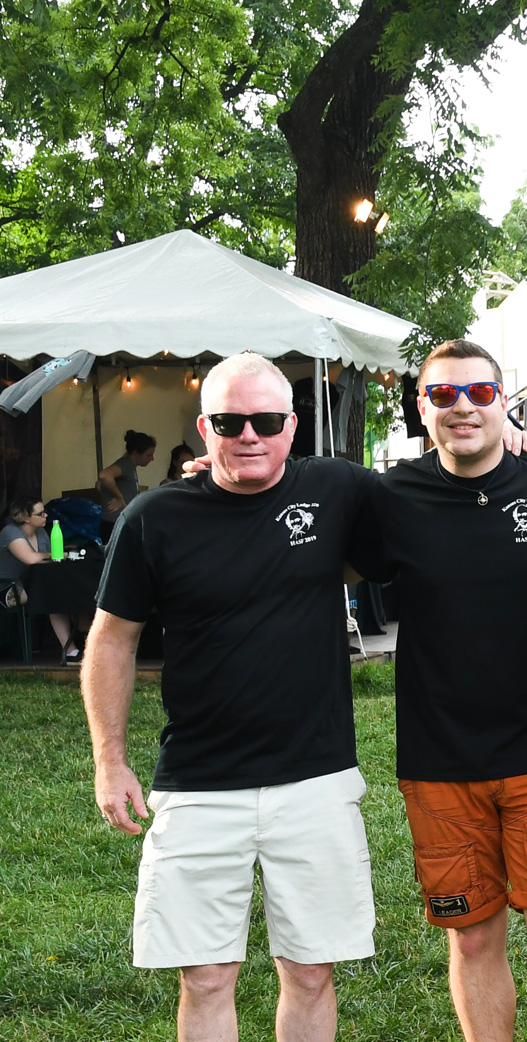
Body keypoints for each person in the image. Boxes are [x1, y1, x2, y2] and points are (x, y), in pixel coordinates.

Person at [84, 352, 383, 1041]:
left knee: (310, 971)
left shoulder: (338, 488)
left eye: (266, 420)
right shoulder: (154, 518)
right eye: (229, 421)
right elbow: (110, 641)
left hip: (315, 776)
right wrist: (110, 759)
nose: (249, 434)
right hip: (197, 783)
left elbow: (448, 477)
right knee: (206, 973)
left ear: (292, 426)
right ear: (205, 426)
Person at [361, 338, 527, 1042]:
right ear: (422, 408)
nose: (463, 408)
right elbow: (302, 521)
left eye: (480, 393)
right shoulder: (391, 497)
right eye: (444, 396)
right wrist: (211, 474)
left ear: (505, 401)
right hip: (438, 757)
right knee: (472, 938)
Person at [3, 498, 91, 663]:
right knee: (51, 595)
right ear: (26, 518)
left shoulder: (41, 533)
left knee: (66, 588)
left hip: (32, 584)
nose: (46, 515)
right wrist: (59, 554)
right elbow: (31, 558)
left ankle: (83, 626)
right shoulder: (10, 532)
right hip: (8, 588)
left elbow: (52, 562)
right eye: (41, 513)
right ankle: (71, 650)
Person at [99, 429, 158, 533]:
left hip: (118, 523)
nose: (152, 459)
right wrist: (119, 497)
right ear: (136, 453)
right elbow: (104, 475)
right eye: (148, 455)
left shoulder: (129, 466)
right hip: (114, 525)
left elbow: (98, 484)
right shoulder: (126, 464)